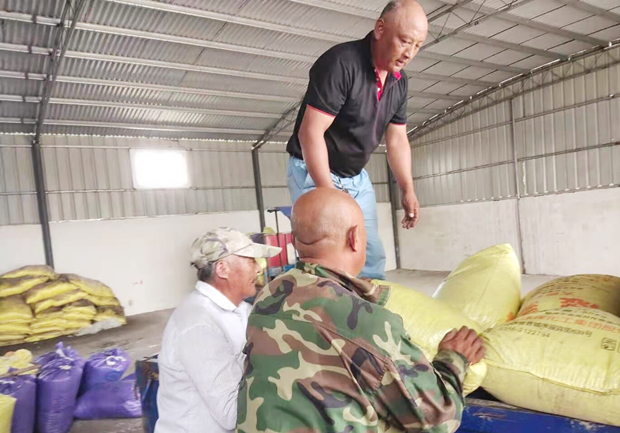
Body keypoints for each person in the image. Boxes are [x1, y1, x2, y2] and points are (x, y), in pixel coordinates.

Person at [237, 189, 485, 433]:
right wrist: (453, 359)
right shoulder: (369, 322)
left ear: (294, 240)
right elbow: (437, 420)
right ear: (354, 237)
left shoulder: (270, 294)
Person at [286, 0, 429, 280]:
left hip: (355, 178)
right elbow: (310, 132)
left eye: (417, 46)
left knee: (369, 253)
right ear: (380, 29)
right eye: (404, 41)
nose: (409, 53)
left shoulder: (399, 82)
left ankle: (369, 306)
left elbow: (397, 140)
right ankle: (325, 305)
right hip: (313, 170)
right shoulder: (341, 63)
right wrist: (329, 197)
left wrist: (407, 189)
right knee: (328, 258)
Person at [156, 228, 281, 433]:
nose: (258, 269)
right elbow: (232, 413)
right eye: (251, 261)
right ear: (223, 269)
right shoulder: (198, 325)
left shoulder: (243, 310)